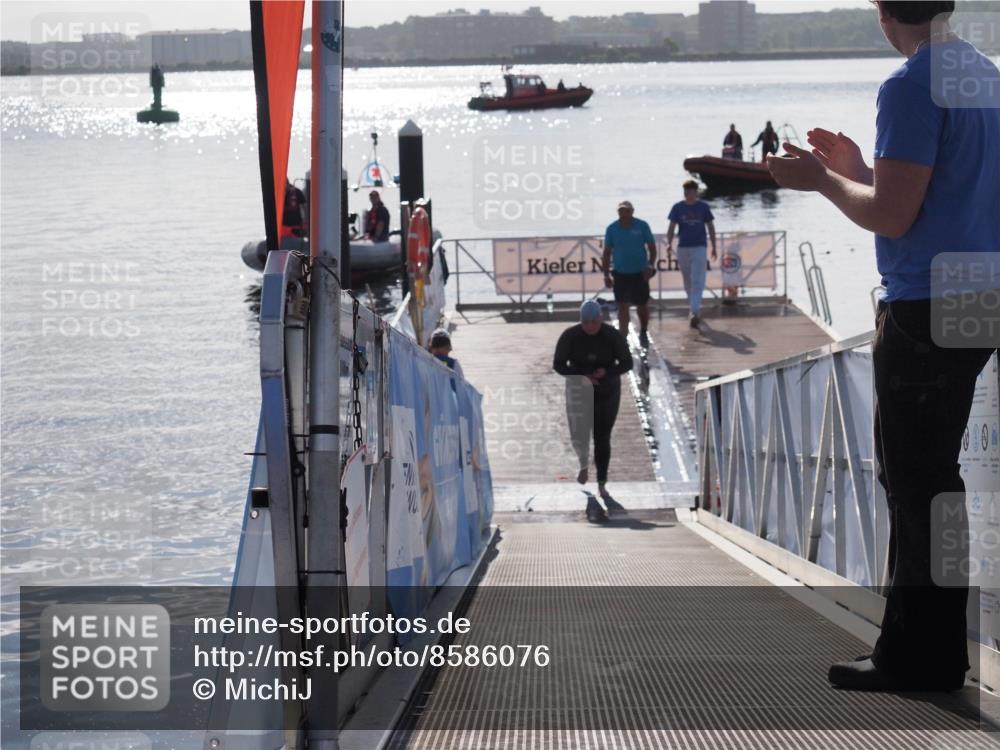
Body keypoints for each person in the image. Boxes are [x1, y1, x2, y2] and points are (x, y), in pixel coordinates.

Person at [767, 0, 999, 692]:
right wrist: (862, 168)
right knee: (935, 482)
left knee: (917, 482)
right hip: (980, 293)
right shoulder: (981, 75)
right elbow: (940, 198)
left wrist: (820, 180)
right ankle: (935, 648)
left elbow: (892, 217)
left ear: (884, 16)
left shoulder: (909, 85)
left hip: (927, 302)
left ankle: (921, 658)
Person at [553, 300, 633, 523]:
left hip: (607, 391)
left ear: (601, 319)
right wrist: (583, 375)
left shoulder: (612, 336)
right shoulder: (570, 336)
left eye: (594, 322)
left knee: (602, 437)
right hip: (579, 389)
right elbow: (559, 364)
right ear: (580, 321)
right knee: (579, 434)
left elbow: (627, 363)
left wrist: (605, 373)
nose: (590, 326)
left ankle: (602, 483)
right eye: (585, 322)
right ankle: (583, 465)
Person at [602, 200, 657, 349]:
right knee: (622, 305)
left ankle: (644, 330)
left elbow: (652, 247)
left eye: (626, 211)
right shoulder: (612, 229)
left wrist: (650, 266)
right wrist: (606, 274)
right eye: (620, 211)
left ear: (632, 212)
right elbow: (606, 253)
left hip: (640, 272)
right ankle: (623, 337)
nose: (623, 214)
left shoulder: (642, 225)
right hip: (621, 273)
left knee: (642, 305)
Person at [667, 181, 718, 328]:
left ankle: (694, 310)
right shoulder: (678, 207)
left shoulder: (703, 207)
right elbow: (671, 227)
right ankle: (693, 308)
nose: (687, 193)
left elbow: (710, 227)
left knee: (697, 279)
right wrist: (669, 244)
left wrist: (714, 246)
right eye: (685, 191)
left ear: (696, 192)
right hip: (683, 247)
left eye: (690, 191)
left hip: (699, 247)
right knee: (687, 279)